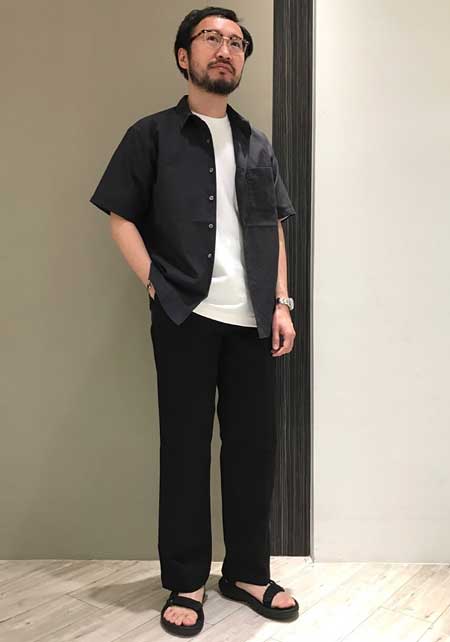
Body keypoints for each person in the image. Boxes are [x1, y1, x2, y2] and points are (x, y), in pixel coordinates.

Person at [89, 5, 299, 637]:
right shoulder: (151, 135)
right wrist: (157, 284)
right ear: (185, 56)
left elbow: (273, 225)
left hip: (253, 321)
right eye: (211, 37)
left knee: (253, 450)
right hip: (186, 314)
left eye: (236, 41)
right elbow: (120, 216)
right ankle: (185, 580)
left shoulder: (256, 143)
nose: (225, 49)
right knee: (184, 449)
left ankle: (247, 572)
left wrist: (282, 301)